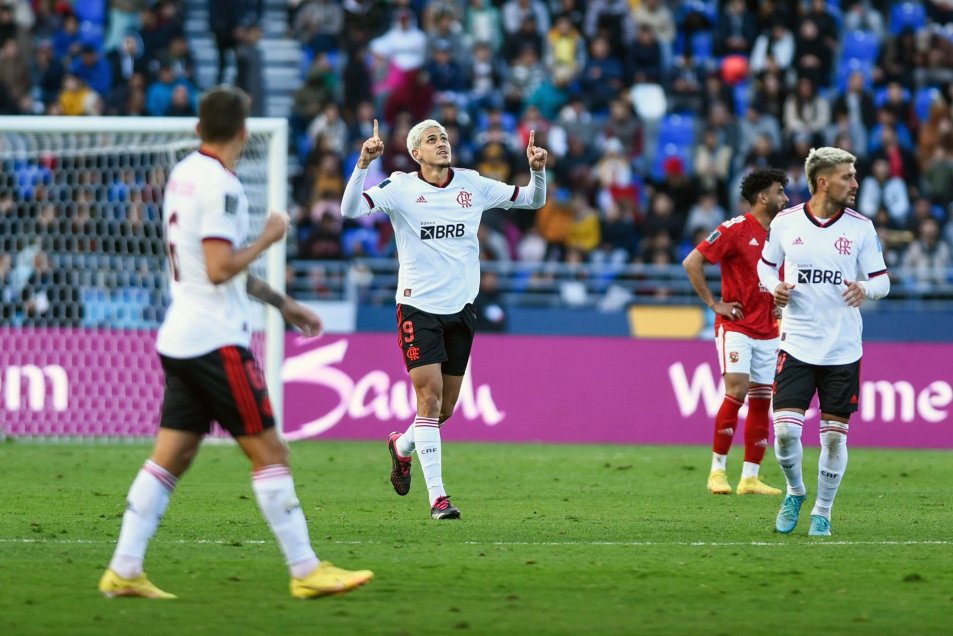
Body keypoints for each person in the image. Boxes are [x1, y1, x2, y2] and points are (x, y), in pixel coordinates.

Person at [99, 86, 373, 599]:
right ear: (244, 133)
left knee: (171, 457)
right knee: (271, 451)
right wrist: (268, 239)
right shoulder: (222, 186)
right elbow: (221, 267)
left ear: (198, 128)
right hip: (216, 342)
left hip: (181, 336)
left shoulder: (183, 173)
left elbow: (210, 264)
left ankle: (124, 569)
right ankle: (306, 569)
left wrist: (281, 302)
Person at [341, 118, 547, 519]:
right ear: (415, 153)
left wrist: (537, 171)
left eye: (444, 138)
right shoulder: (400, 187)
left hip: (461, 309)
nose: (442, 143)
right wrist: (363, 163)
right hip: (417, 308)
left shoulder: (472, 184)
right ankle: (438, 498)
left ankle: (402, 446)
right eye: (432, 140)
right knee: (429, 398)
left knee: (443, 409)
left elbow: (532, 201)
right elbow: (350, 210)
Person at [757, 147, 889, 537]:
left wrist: (865, 288)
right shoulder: (786, 222)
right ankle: (795, 491)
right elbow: (765, 266)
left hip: (842, 349)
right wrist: (774, 287)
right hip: (797, 344)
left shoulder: (861, 227)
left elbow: (882, 280)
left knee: (832, 439)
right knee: (785, 433)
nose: (855, 183)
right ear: (823, 182)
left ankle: (823, 510)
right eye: (848, 176)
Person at [683, 168, 790, 496]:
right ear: (762, 197)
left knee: (762, 399)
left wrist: (780, 302)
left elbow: (780, 276)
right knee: (737, 389)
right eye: (780, 192)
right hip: (737, 325)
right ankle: (717, 471)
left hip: (768, 328)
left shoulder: (784, 234)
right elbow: (692, 262)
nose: (786, 198)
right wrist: (714, 304)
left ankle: (750, 478)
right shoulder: (734, 229)